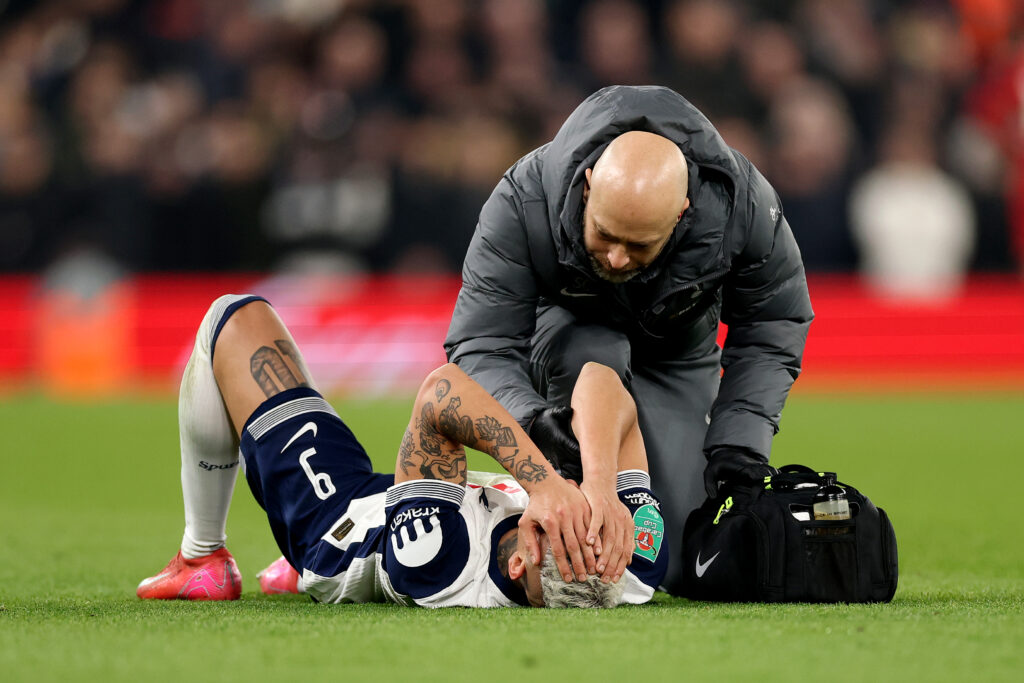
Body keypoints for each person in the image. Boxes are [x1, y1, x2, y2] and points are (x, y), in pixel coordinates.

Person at [445, 85, 814, 594]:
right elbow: (481, 343)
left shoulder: (744, 207)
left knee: (684, 563)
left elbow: (774, 326)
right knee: (592, 352)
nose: (617, 258)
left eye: (638, 244)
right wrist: (535, 425)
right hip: (567, 347)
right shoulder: (523, 198)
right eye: (605, 235)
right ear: (588, 185)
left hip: (678, 353)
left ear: (682, 213)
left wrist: (738, 449)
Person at [137, 294, 667, 607]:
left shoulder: (442, 560)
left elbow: (441, 393)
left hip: (339, 524)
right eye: (594, 524)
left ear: (518, 564)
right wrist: (599, 483)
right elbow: (602, 381)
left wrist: (544, 483)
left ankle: (202, 557)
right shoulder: (633, 567)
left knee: (232, 317)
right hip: (428, 495)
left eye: (567, 528)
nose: (578, 512)